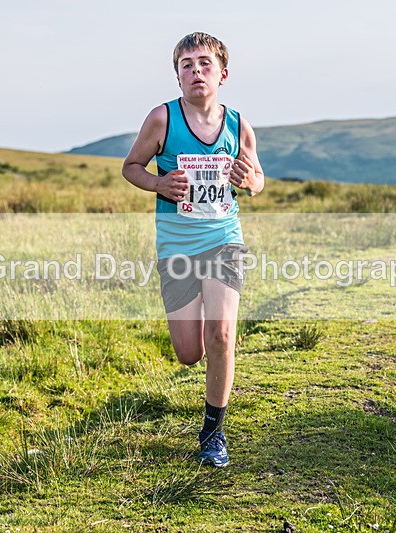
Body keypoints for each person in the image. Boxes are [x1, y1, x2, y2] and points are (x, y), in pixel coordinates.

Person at [122, 32, 264, 467]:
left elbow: (258, 179)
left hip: (224, 239)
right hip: (177, 245)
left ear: (222, 74)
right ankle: (199, 338)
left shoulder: (238, 124)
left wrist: (249, 181)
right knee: (189, 352)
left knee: (221, 334)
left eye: (204, 64)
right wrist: (158, 183)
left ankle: (213, 433)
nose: (196, 71)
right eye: (187, 65)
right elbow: (131, 167)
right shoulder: (162, 120)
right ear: (177, 76)